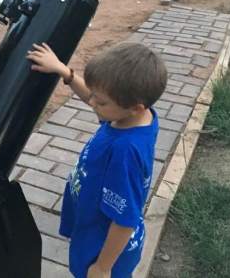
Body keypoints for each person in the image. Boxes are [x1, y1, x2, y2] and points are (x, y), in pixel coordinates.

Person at [27, 42, 167, 278]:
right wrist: (65, 72)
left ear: (135, 108)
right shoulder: (133, 118)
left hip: (104, 248)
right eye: (93, 95)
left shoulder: (125, 151)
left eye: (100, 102)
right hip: (94, 227)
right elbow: (98, 98)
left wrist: (102, 267)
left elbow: (125, 220)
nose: (92, 103)